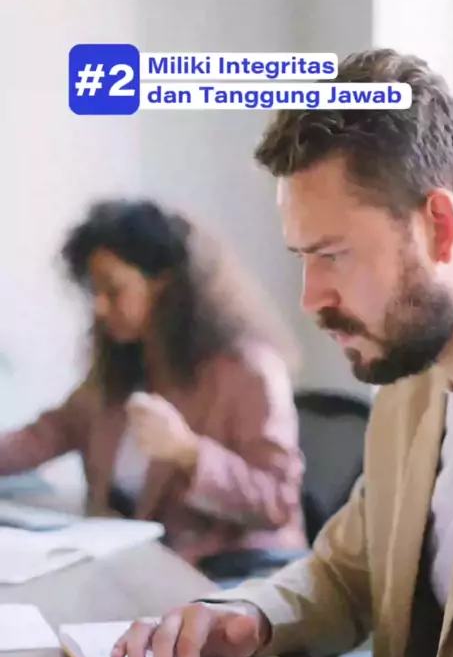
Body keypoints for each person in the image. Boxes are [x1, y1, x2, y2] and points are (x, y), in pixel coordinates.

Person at [75, 47, 453, 657]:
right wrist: (245, 616)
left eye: (333, 255)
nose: (309, 298)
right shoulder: (412, 391)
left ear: (440, 227)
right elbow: (346, 573)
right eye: (302, 257)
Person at [0, 199, 307, 566]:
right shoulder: (122, 365)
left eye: (113, 290)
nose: (99, 307)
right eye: (94, 291)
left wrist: (188, 451)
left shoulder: (249, 370)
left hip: (229, 575)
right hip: (138, 567)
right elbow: (41, 436)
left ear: (165, 285)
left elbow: (277, 503)